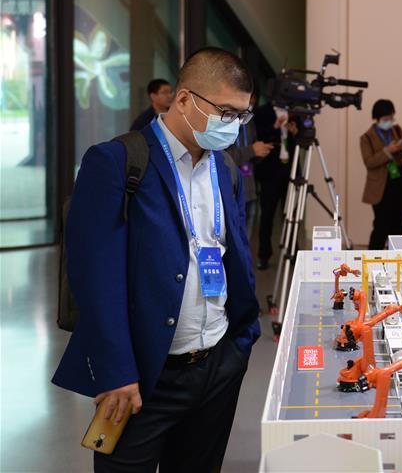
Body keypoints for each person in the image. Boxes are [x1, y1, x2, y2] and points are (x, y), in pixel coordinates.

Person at [52, 48, 260, 472]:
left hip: (216, 364)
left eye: (242, 115)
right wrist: (116, 371)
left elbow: (230, 252)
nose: (233, 126)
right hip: (144, 376)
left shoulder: (224, 169)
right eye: (225, 111)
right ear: (182, 100)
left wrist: (240, 343)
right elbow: (96, 280)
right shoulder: (117, 162)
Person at [361, 99, 402, 250]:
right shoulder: (366, 138)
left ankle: (396, 261)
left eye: (391, 118)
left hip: (401, 182)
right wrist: (387, 151)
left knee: (399, 226)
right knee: (381, 226)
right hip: (381, 187)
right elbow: (369, 162)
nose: (389, 122)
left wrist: (401, 148)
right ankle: (373, 261)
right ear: (376, 119)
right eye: (385, 119)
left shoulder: (397, 130)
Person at [226, 93, 273, 233]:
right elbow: (224, 158)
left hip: (249, 189)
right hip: (231, 191)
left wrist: (260, 152)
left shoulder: (250, 122)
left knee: (246, 239)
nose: (250, 103)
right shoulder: (225, 122)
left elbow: (252, 154)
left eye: (253, 100)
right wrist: (252, 150)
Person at [252, 102, 290, 270]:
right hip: (269, 172)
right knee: (267, 215)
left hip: (290, 169)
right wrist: (275, 126)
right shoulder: (262, 112)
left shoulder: (293, 111)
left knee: (290, 214)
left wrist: (294, 131)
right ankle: (264, 255)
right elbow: (258, 135)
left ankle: (293, 252)